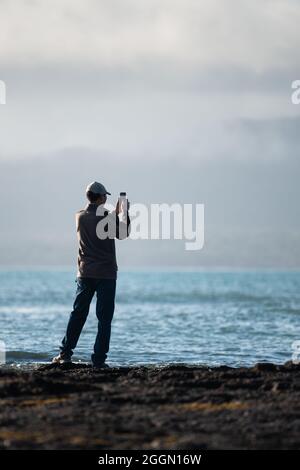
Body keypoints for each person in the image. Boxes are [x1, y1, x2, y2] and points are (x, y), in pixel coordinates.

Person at [52, 181, 130, 368]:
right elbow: (123, 233)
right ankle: (99, 360)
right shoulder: (108, 218)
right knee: (104, 319)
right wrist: (123, 214)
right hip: (106, 275)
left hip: (85, 273)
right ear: (101, 197)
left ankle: (65, 354)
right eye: (105, 196)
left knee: (78, 314)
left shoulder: (79, 216)